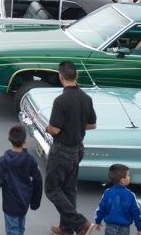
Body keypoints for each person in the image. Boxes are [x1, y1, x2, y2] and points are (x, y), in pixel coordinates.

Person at [44, 61, 96, 235]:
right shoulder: (86, 98)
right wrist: (77, 125)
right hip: (78, 149)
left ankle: (80, 223)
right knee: (69, 189)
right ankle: (66, 228)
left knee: (52, 189)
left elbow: (55, 129)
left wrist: (47, 127)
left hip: (62, 149)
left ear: (60, 76)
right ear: (77, 75)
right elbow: (92, 124)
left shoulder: (61, 101)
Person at [0, 124, 43, 235]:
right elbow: (38, 180)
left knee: (12, 231)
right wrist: (35, 202)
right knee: (20, 229)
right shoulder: (30, 160)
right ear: (25, 141)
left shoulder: (4, 161)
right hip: (24, 202)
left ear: (8, 139)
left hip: (10, 205)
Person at [93, 164, 141, 235]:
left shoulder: (107, 192)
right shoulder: (130, 195)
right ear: (123, 180)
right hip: (125, 227)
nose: (129, 177)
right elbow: (136, 212)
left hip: (110, 226)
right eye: (128, 176)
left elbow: (101, 209)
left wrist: (98, 221)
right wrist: (139, 228)